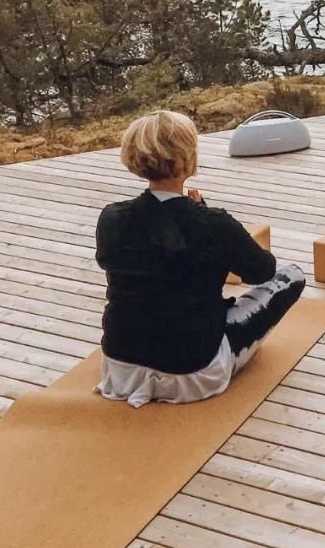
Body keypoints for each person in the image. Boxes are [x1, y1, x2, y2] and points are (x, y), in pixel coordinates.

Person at [94, 109, 306, 408]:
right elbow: (261, 271)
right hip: (192, 369)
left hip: (121, 364)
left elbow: (150, 250)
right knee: (291, 276)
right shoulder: (212, 223)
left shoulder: (111, 218)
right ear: (188, 158)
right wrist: (204, 214)